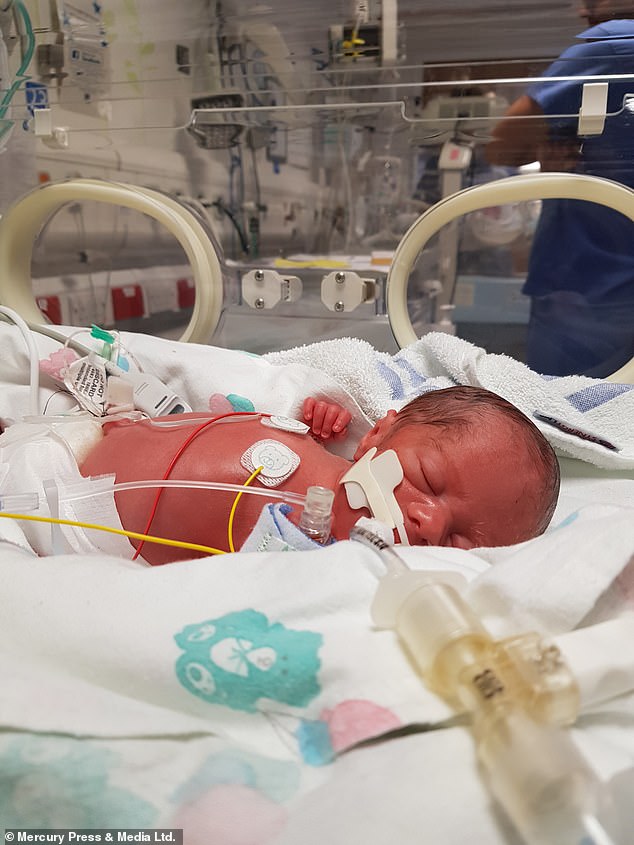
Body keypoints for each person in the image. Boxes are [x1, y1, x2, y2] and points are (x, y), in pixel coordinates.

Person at [78, 385, 561, 566]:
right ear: (376, 436)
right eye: (429, 480)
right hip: (85, 440)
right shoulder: (330, 450)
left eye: (457, 543)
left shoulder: (333, 561)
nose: (431, 524)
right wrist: (318, 422)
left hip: (74, 528)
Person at [486, 0, 634, 377]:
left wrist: (548, 145)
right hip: (615, 281)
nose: (579, 10)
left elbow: (502, 144)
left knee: (562, 416)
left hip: (588, 285)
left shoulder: (613, 42)